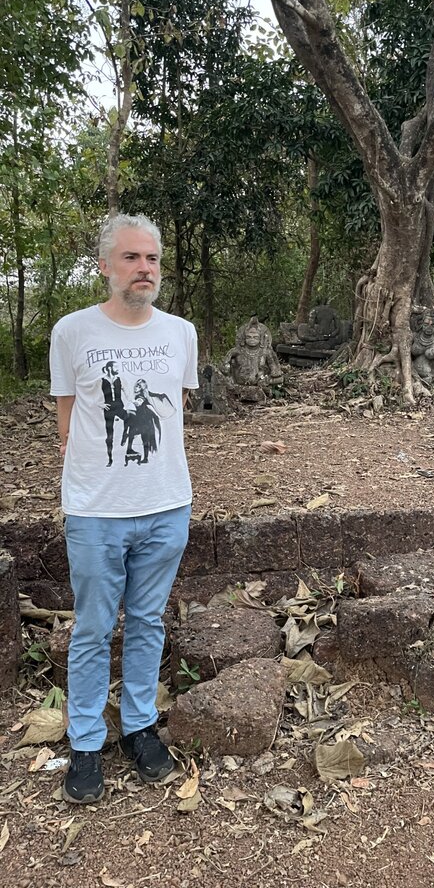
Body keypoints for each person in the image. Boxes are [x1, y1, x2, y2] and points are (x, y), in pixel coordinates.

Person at [50, 213, 198, 804]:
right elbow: (67, 423)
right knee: (91, 627)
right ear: (107, 266)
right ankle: (85, 740)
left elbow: (175, 413)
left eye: (153, 259)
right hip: (95, 510)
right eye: (133, 258)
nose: (145, 269)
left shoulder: (180, 333)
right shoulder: (73, 332)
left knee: (147, 621)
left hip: (167, 506)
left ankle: (138, 726)